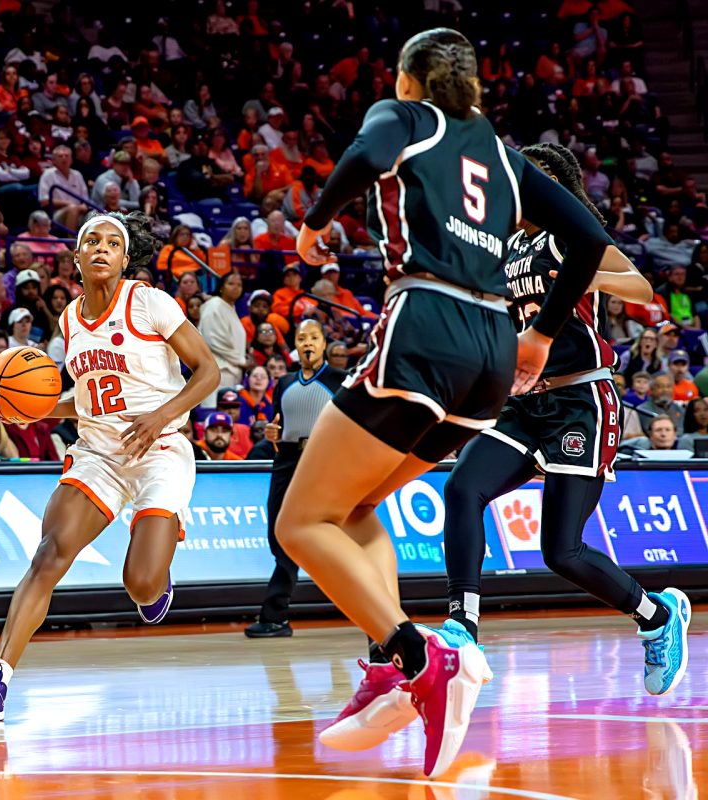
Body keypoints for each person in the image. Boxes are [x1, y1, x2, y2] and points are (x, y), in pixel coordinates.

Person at [277, 29, 637, 777]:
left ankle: (423, 659)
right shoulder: (504, 156)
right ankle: (388, 660)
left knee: (300, 522)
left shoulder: (406, 117)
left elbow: (364, 160)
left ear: (410, 80)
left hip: (427, 324)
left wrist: (314, 226)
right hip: (494, 353)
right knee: (353, 508)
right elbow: (588, 233)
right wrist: (538, 334)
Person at [0, 211, 220, 722]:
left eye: (111, 243)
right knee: (49, 554)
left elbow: (210, 371)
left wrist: (161, 414)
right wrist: (33, 406)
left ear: (123, 258)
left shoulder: (150, 302)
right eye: (90, 241)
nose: (100, 248)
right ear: (76, 257)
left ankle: (158, 574)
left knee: (140, 583)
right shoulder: (71, 319)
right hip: (98, 452)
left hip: (159, 446)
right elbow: (88, 400)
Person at [246, 320, 346, 638]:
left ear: (323, 343)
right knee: (278, 532)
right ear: (295, 344)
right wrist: (274, 435)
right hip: (286, 458)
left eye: (314, 338)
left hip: (322, 458)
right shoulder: (285, 381)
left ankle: (275, 613)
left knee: (323, 536)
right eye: (301, 338)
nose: (307, 343)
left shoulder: (339, 380)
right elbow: (279, 424)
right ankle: (277, 614)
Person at [198, 272, 247, 403]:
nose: (235, 287)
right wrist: (242, 360)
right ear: (221, 287)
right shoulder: (215, 305)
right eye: (231, 283)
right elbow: (214, 340)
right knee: (214, 417)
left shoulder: (230, 308)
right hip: (218, 372)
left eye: (239, 285)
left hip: (231, 372)